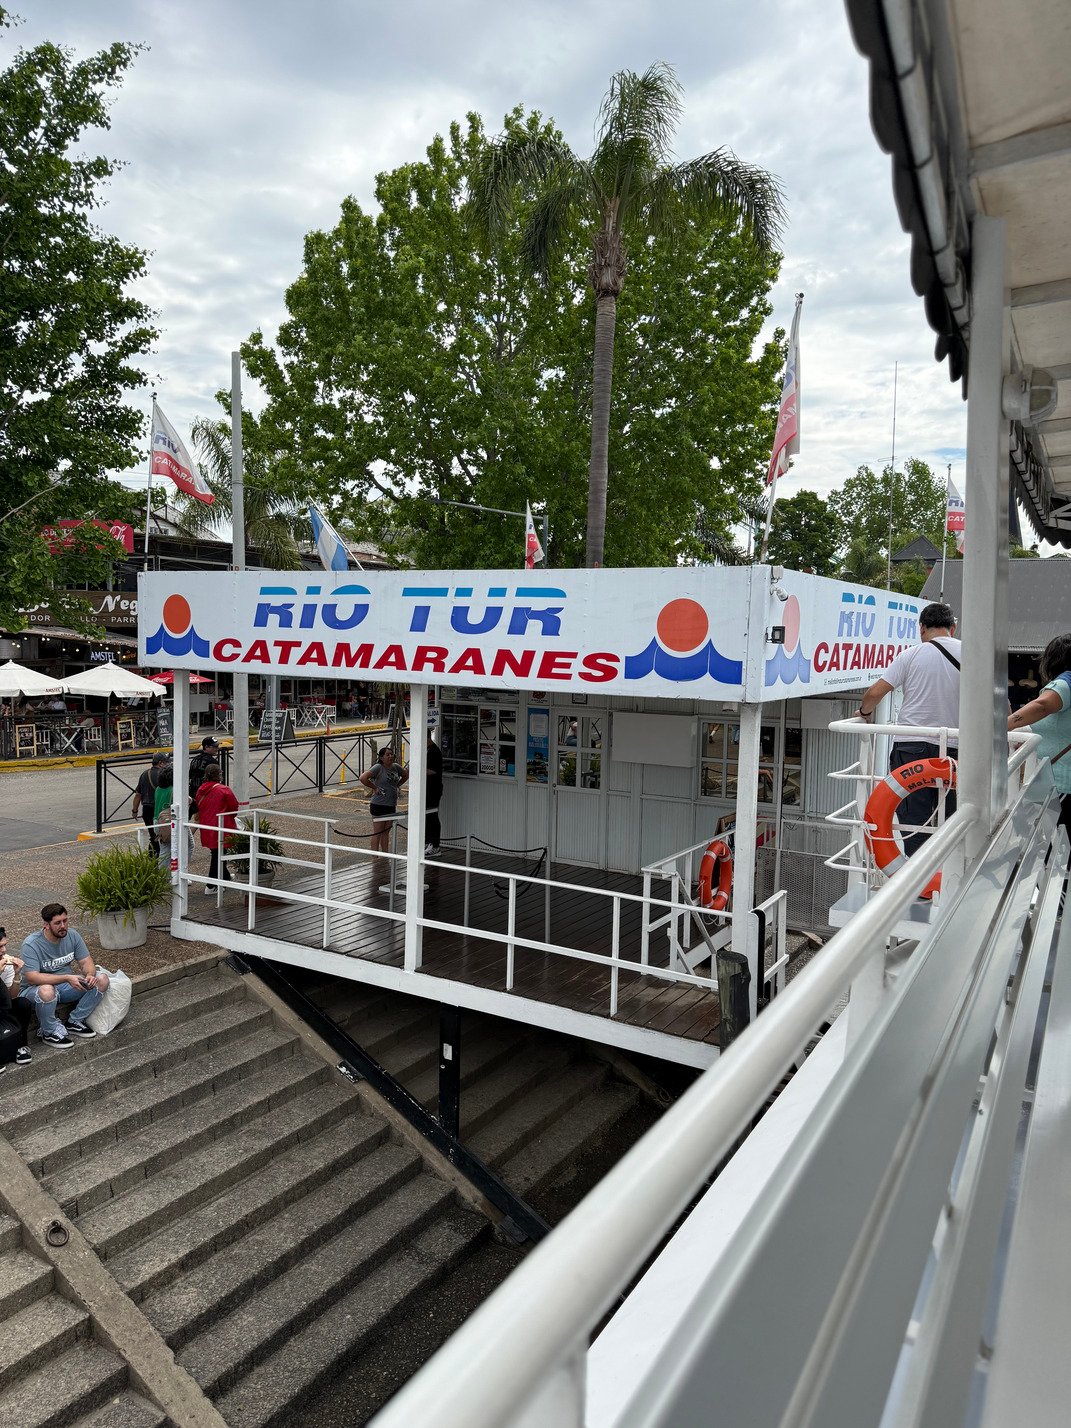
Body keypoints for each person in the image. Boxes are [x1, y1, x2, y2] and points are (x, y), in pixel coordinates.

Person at [856, 601, 961, 857]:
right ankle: (946, 875)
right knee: (951, 815)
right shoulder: (974, 654)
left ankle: (920, 880)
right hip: (956, 748)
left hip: (911, 746)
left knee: (913, 817)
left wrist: (865, 713)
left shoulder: (910, 655)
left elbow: (875, 693)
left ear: (922, 628)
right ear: (953, 628)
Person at [1007, 633, 1071, 858]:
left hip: (1060, 785)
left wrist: (1003, 725)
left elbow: (1043, 706)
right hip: (1061, 784)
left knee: (1051, 852)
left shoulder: (1066, 680)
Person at [17, 905, 109, 1049]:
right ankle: (49, 1032)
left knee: (102, 979)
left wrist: (90, 975)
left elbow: (86, 961)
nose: (63, 926)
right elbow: (32, 978)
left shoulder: (72, 935)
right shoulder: (31, 944)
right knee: (47, 990)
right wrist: (66, 977)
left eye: (65, 921)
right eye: (57, 923)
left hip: (65, 987)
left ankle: (75, 1021)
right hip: (35, 991)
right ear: (46, 925)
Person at [196, 762, 239, 890]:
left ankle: (225, 877)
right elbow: (234, 807)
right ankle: (211, 885)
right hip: (221, 825)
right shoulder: (223, 789)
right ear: (218, 775)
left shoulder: (201, 789)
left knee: (217, 853)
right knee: (219, 855)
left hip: (207, 826)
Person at [360, 746, 409, 857]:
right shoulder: (378, 767)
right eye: (387, 754)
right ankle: (375, 857)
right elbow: (363, 778)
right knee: (378, 832)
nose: (390, 756)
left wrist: (398, 785)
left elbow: (405, 774)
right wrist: (374, 787)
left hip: (391, 804)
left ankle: (385, 855)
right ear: (381, 757)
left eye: (391, 754)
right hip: (379, 804)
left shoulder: (396, 767)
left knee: (386, 831)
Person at [0, 927, 33, 1071]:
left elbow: (11, 997)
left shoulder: (5, 965)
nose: (4, 950)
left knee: (22, 1003)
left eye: (5, 945)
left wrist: (16, 974)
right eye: (0, 946)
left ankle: (19, 1045)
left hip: (2, 1009)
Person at [132, 751, 168, 855]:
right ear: (161, 763)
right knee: (161, 837)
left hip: (146, 810)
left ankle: (151, 860)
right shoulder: (163, 775)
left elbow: (138, 794)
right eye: (167, 763)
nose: (169, 765)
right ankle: (158, 861)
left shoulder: (144, 774)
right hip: (158, 810)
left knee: (153, 836)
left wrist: (134, 810)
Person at [425, 725, 444, 857]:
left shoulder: (434, 752)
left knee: (432, 815)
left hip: (433, 789)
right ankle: (428, 841)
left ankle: (435, 845)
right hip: (426, 788)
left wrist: (420, 769)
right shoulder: (426, 750)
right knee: (426, 816)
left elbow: (434, 771)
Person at [188, 736, 220, 801]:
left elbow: (190, 775)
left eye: (217, 746)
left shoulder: (195, 759)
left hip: (193, 792)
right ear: (206, 747)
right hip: (206, 793)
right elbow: (216, 779)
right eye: (214, 747)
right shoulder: (212, 762)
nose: (217, 748)